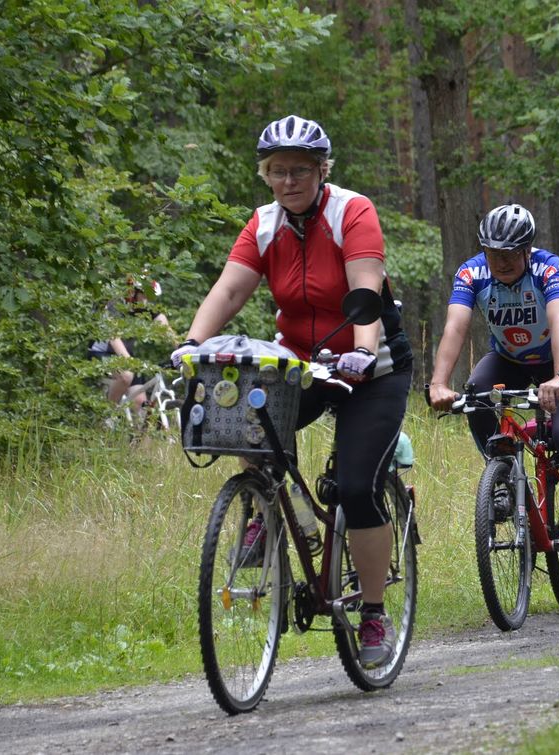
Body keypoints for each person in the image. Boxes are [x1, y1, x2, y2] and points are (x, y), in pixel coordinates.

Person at [170, 114, 413, 669]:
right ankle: (267, 510)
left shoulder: (352, 211)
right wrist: (191, 342)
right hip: (303, 363)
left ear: (322, 170)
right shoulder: (262, 224)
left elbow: (366, 287)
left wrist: (360, 348)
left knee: (355, 487)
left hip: (369, 367)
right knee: (245, 421)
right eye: (277, 171)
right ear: (266, 175)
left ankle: (373, 613)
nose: (288, 181)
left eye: (300, 170)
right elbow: (230, 290)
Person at [427, 203, 559, 573]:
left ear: (526, 251)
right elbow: (455, 327)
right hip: (509, 359)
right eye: (493, 253)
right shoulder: (472, 273)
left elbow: (558, 321)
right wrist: (439, 383)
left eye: (509, 254)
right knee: (475, 395)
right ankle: (502, 476)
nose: (501, 262)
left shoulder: (548, 268)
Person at [87, 276, 173, 414]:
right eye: (146, 295)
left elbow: (161, 321)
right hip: (100, 353)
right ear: (132, 292)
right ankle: (108, 415)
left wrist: (180, 347)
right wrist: (128, 360)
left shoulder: (142, 304)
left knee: (140, 403)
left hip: (125, 356)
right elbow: (112, 335)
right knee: (126, 375)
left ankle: (143, 436)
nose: (148, 301)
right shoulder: (114, 303)